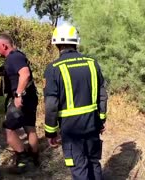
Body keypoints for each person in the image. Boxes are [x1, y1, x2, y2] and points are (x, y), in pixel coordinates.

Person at [44, 23, 108, 180]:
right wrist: (101, 120)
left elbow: (51, 104)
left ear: (57, 44)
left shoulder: (54, 68)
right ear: (76, 42)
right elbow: (102, 95)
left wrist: (50, 131)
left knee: (79, 168)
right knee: (94, 163)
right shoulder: (92, 63)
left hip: (71, 129)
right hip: (92, 124)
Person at [0, 33, 39, 173]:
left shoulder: (14, 57)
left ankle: (23, 162)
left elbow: (25, 74)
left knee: (8, 129)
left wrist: (18, 94)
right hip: (30, 97)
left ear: (4, 45)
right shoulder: (14, 57)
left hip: (23, 98)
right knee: (29, 127)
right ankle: (35, 159)